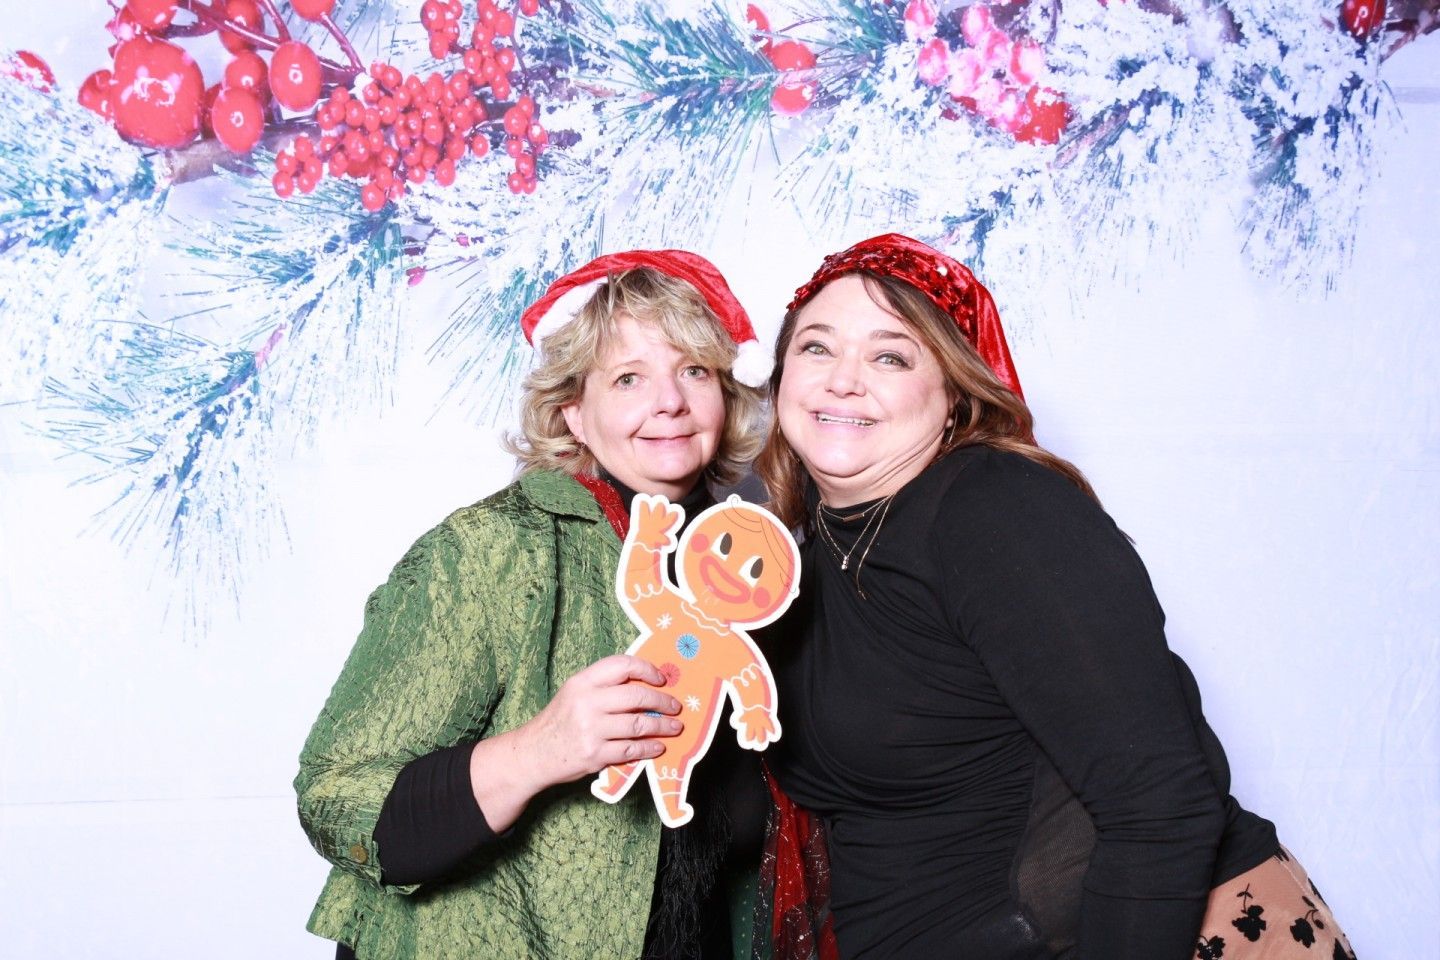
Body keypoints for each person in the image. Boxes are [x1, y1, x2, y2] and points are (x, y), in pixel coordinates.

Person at [754, 234, 1357, 960]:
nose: (843, 380)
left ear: (952, 394)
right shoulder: (801, 554)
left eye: (891, 356)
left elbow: (1162, 802)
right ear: (780, 373)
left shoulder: (996, 510)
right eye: (818, 348)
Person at [295, 250, 776, 960]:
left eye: (694, 370)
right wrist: (540, 750)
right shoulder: (490, 551)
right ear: (573, 412)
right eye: (628, 378)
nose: (670, 401)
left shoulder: (744, 571)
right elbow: (335, 798)